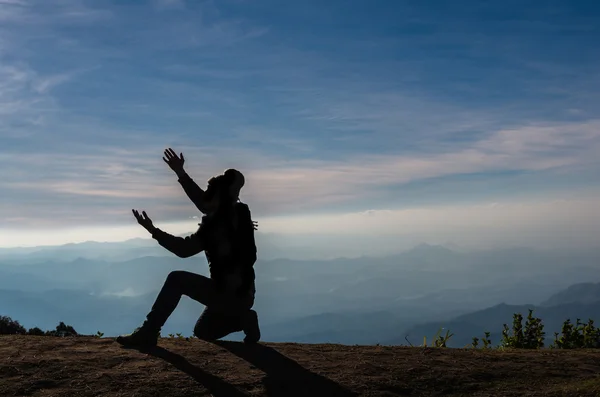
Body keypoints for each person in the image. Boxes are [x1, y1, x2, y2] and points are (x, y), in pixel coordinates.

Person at [116, 148, 260, 348]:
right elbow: (204, 202)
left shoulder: (216, 226)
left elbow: (183, 250)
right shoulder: (240, 213)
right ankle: (245, 319)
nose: (205, 200)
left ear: (217, 199)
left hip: (228, 294)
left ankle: (148, 332)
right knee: (203, 331)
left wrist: (153, 230)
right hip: (245, 294)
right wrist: (180, 174)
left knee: (176, 279)